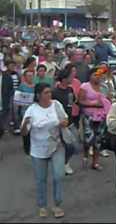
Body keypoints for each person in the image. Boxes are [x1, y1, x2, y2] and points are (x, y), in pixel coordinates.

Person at [20, 83, 68, 218]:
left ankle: (57, 205)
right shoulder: (32, 110)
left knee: (58, 176)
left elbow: (65, 119)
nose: (49, 95)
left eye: (50, 92)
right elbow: (24, 133)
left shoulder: (56, 105)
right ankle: (42, 205)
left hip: (56, 146)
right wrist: (24, 124)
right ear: (38, 95)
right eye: (46, 93)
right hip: (38, 150)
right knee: (41, 179)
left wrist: (64, 122)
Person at [78, 66, 111, 170]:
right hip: (89, 116)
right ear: (90, 76)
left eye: (99, 75)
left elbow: (109, 99)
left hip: (101, 117)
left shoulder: (104, 87)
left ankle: (95, 162)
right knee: (88, 139)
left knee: (98, 140)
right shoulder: (85, 86)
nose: (97, 77)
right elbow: (80, 101)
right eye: (95, 75)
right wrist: (94, 104)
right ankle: (85, 156)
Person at [52, 69, 77, 175]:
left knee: (74, 146)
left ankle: (64, 162)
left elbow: (72, 102)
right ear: (64, 78)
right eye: (70, 77)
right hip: (60, 123)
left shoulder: (70, 89)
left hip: (70, 121)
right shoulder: (54, 92)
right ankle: (63, 164)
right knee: (67, 145)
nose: (73, 78)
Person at [13, 69, 36, 134]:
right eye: (28, 76)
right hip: (24, 110)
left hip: (34, 109)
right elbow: (17, 99)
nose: (30, 77)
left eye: (31, 76)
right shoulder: (21, 86)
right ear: (25, 77)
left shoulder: (36, 86)